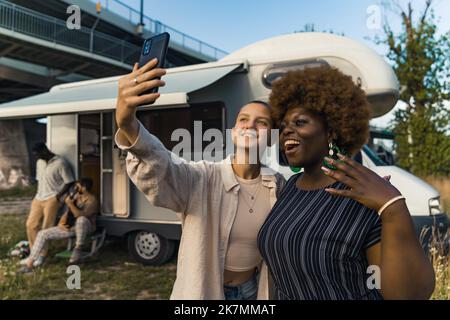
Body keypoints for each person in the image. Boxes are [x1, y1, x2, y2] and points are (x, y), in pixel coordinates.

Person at [257, 66, 435, 300]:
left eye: (300, 122)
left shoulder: (362, 192)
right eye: (283, 126)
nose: (286, 131)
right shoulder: (290, 187)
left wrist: (393, 208)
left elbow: (408, 294)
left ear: (332, 132)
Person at [115, 58, 285, 299]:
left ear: (271, 138)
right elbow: (160, 166)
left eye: (262, 122)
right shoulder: (202, 176)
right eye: (243, 119)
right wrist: (127, 123)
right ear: (233, 132)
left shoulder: (277, 185)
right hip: (204, 291)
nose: (250, 126)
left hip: (253, 291)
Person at [19, 178, 99, 273]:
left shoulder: (92, 200)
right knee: (42, 233)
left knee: (81, 220)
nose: (75, 189)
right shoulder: (76, 197)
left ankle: (78, 249)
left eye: (77, 186)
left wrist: (70, 203)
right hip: (71, 227)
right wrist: (61, 225)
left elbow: (79, 215)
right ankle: (29, 264)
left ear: (84, 188)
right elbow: (67, 214)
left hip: (86, 227)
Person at [25, 143, 75, 264]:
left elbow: (69, 181)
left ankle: (42, 256)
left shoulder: (61, 163)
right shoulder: (39, 163)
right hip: (38, 197)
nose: (37, 157)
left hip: (52, 199)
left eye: (38, 154)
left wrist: (57, 197)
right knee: (30, 225)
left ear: (44, 150)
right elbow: (39, 180)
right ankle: (34, 253)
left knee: (46, 228)